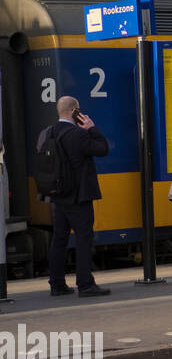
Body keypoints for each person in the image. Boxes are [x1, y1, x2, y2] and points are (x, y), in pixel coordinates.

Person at [39, 96, 110, 297]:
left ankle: (57, 284)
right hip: (79, 197)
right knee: (83, 238)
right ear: (74, 112)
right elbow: (102, 149)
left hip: (58, 196)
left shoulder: (48, 133)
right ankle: (85, 284)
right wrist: (91, 128)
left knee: (59, 239)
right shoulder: (78, 134)